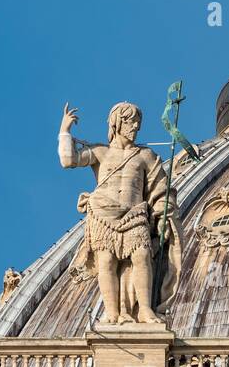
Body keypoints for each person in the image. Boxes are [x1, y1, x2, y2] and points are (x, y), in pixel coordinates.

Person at [58, 102, 180, 324]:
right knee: (106, 261)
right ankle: (112, 313)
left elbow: (162, 188)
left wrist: (163, 213)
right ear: (116, 123)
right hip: (103, 212)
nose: (135, 127)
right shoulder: (100, 152)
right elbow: (69, 161)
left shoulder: (146, 156)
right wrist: (65, 132)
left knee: (142, 256)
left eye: (137, 123)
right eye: (130, 122)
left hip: (134, 214)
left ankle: (144, 310)